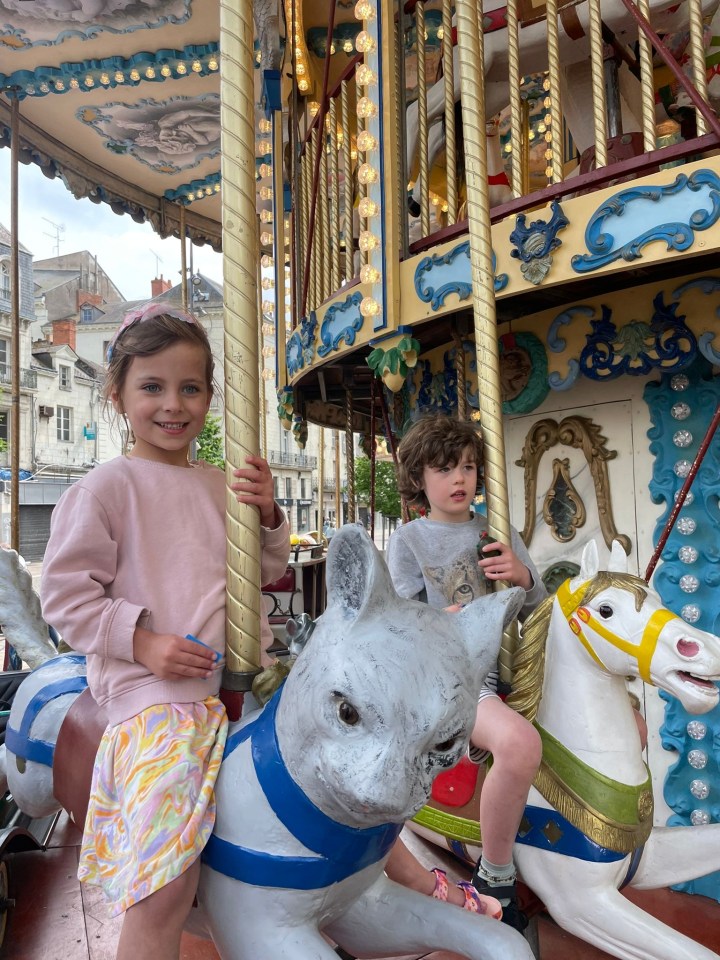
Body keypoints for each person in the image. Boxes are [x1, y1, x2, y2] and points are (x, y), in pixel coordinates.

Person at [40, 304, 290, 960]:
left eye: (191, 388)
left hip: (238, 691)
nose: (173, 405)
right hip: (158, 707)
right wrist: (143, 642)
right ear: (116, 392)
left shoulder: (220, 484)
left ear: (210, 395)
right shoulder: (105, 488)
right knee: (164, 891)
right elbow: (66, 599)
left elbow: (266, 569)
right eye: (152, 387)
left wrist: (266, 512)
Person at [384, 413, 547, 932]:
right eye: (444, 468)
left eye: (469, 467)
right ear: (419, 478)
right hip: (451, 678)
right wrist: (442, 621)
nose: (460, 479)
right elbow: (397, 620)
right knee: (520, 744)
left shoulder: (497, 533)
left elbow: (536, 611)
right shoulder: (409, 541)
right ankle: (496, 874)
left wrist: (524, 576)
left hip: (504, 670)